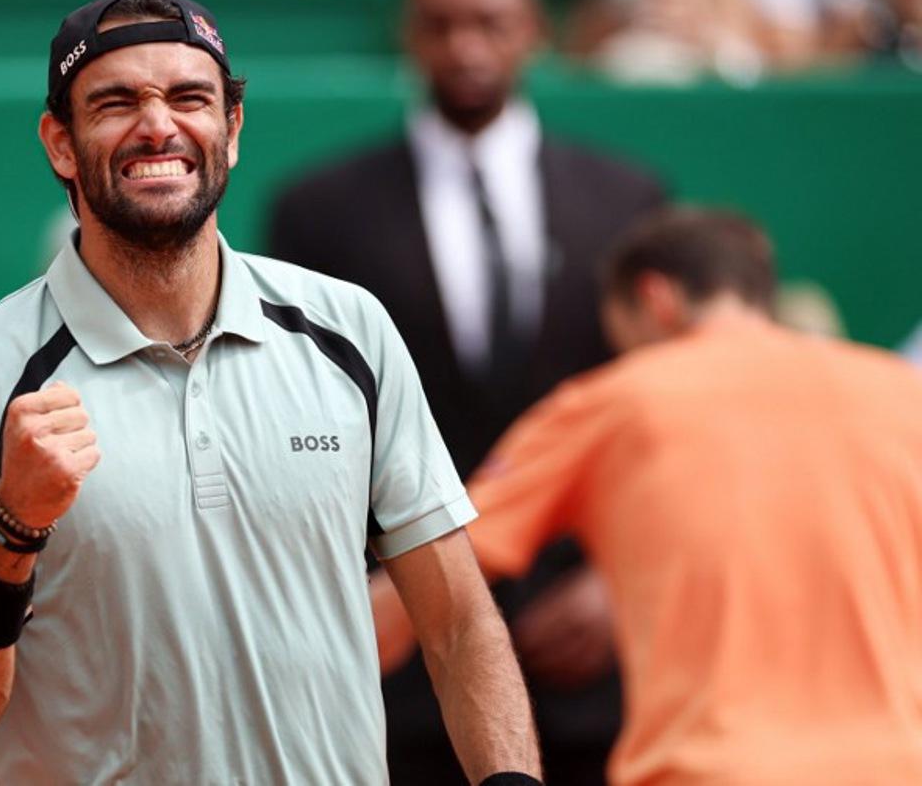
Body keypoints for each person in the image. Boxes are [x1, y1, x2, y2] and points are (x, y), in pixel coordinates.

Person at [0, 0, 541, 785]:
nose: (158, 124)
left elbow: (459, 624)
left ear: (230, 129)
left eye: (189, 97)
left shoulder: (350, 329)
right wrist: (9, 530)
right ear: (60, 143)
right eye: (116, 101)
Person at [268, 0, 664, 782]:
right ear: (408, 37)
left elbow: (659, 415)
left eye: (488, 23)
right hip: (397, 654)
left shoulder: (627, 198)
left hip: (586, 652)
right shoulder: (318, 209)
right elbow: (298, 420)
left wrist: (616, 580)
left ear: (534, 32)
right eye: (441, 25)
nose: (465, 46)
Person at [377, 207, 922, 784]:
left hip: (709, 771)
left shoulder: (612, 404)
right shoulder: (901, 393)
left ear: (655, 298)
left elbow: (435, 580)